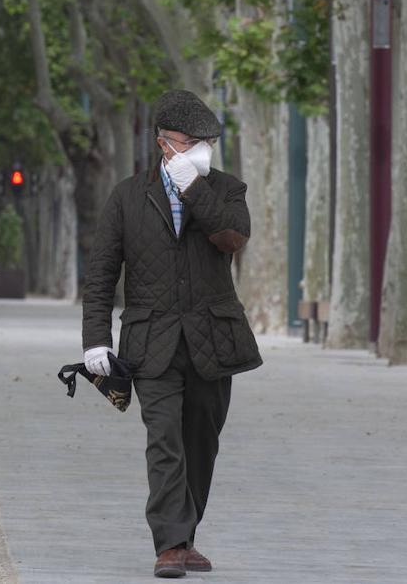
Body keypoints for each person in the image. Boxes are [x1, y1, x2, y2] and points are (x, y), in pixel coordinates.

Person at [81, 89, 262, 579]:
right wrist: (95, 340)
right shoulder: (126, 197)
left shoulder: (226, 189)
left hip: (213, 340)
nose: (204, 148)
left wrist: (194, 189)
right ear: (166, 145)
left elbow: (232, 238)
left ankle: (187, 536)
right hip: (151, 342)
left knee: (201, 442)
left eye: (208, 141)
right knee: (164, 440)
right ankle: (169, 544)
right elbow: (101, 275)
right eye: (193, 141)